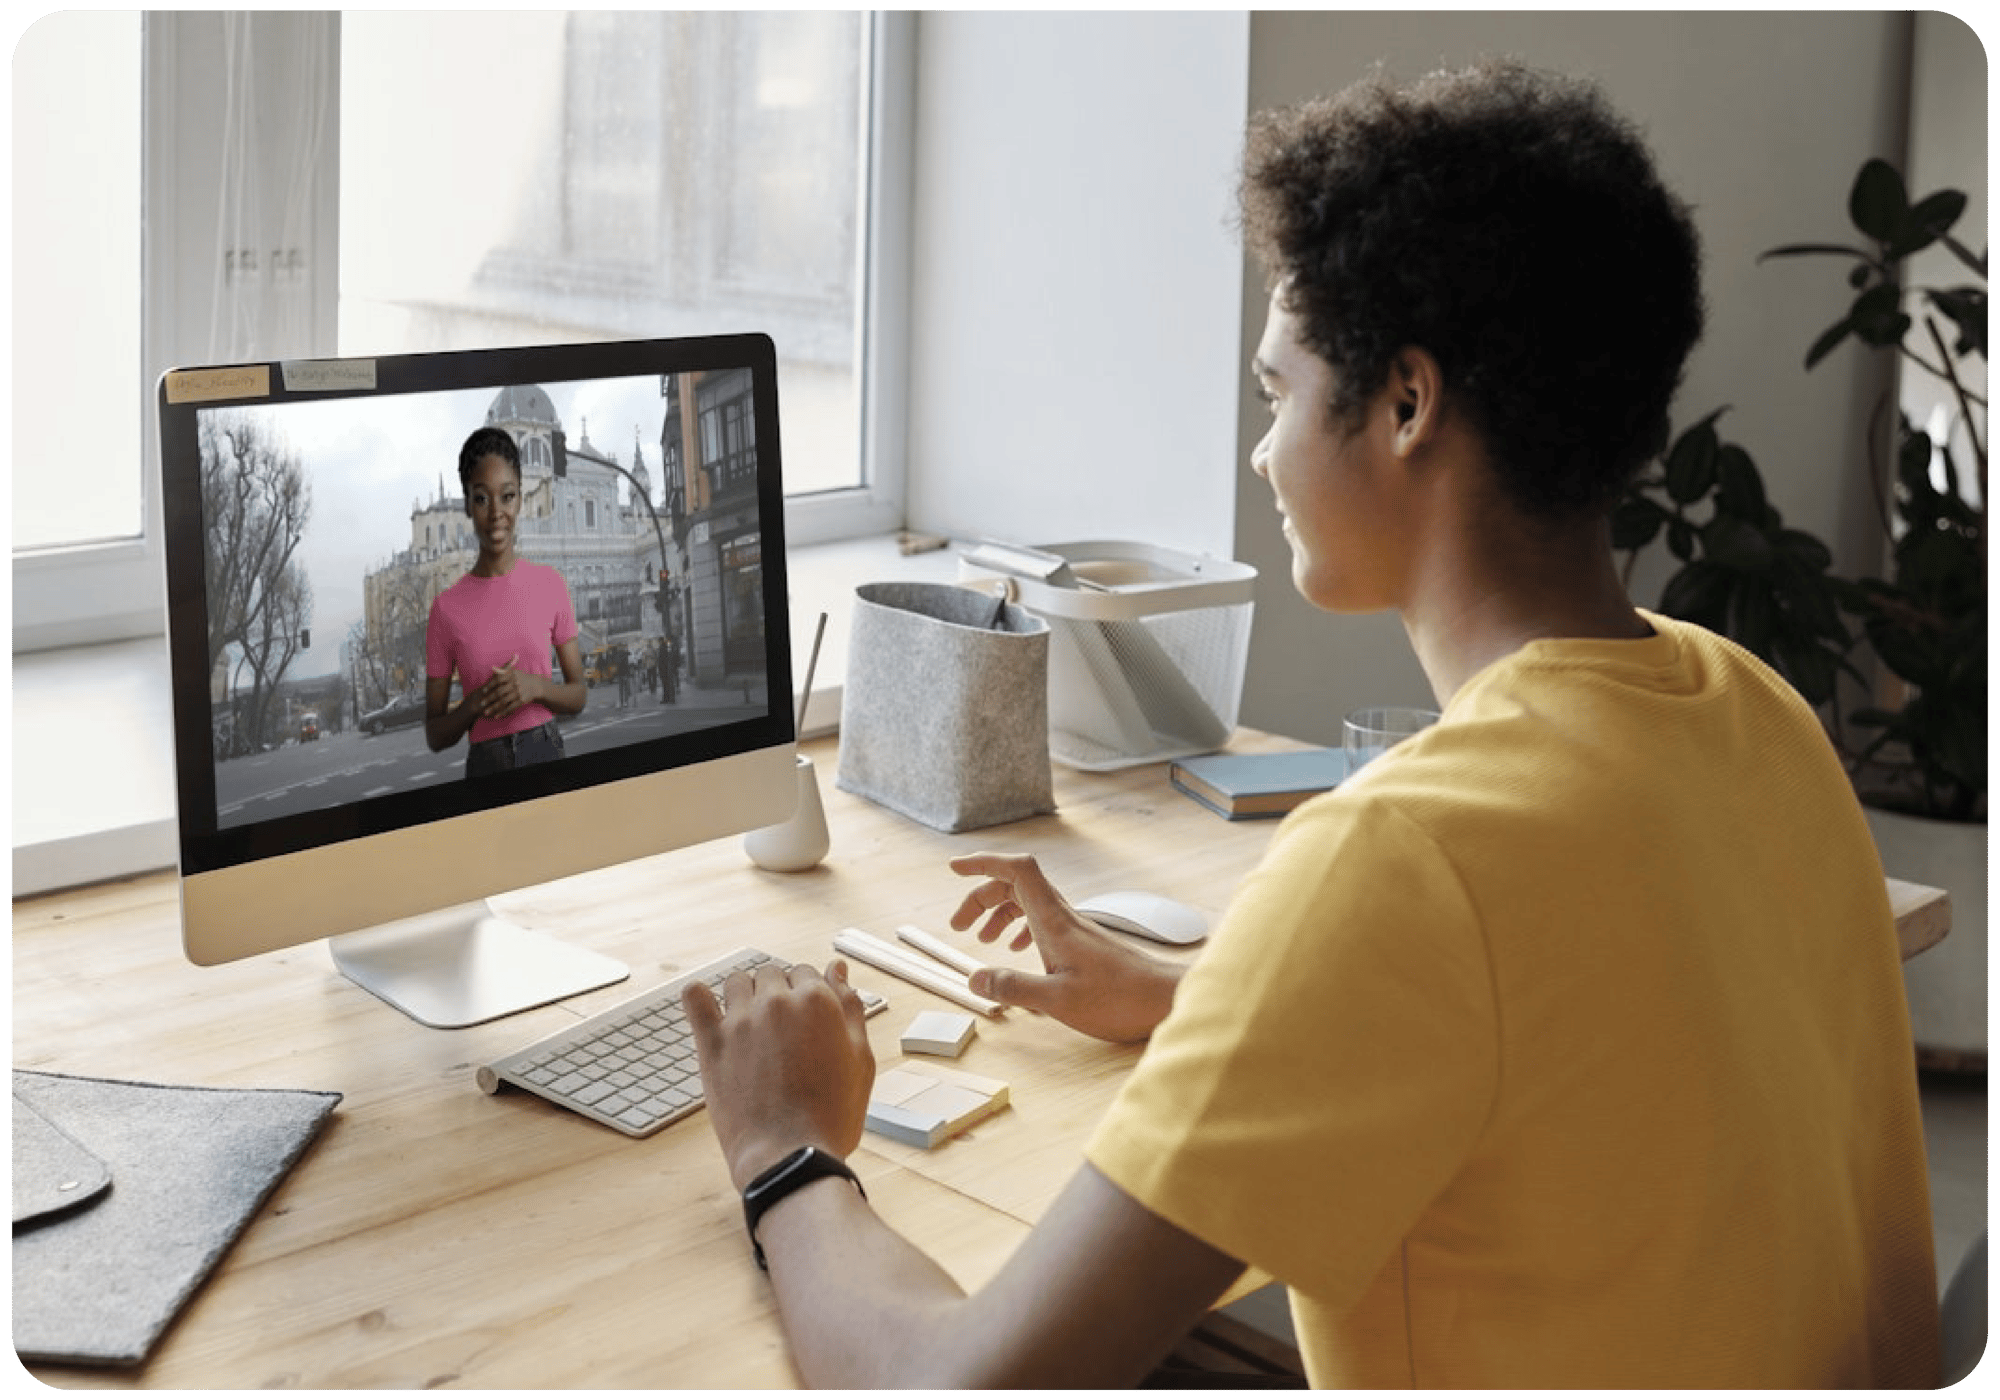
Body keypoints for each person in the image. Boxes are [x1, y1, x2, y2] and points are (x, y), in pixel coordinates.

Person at [681, 59, 1941, 1388]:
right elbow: (1579, 1046)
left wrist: (785, 1151)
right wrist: (1204, 1003)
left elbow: (955, 1384)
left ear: (1407, 402)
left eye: (1275, 391)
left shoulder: (1408, 859)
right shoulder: (1753, 711)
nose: (1261, 452)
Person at [425, 426, 587, 778]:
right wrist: (474, 705)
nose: (496, 512)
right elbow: (435, 734)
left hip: (548, 754)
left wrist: (536, 687)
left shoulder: (550, 584)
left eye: (507, 496)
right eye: (482, 498)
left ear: (520, 500)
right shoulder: (445, 610)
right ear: (467, 504)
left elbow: (579, 695)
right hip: (485, 767)